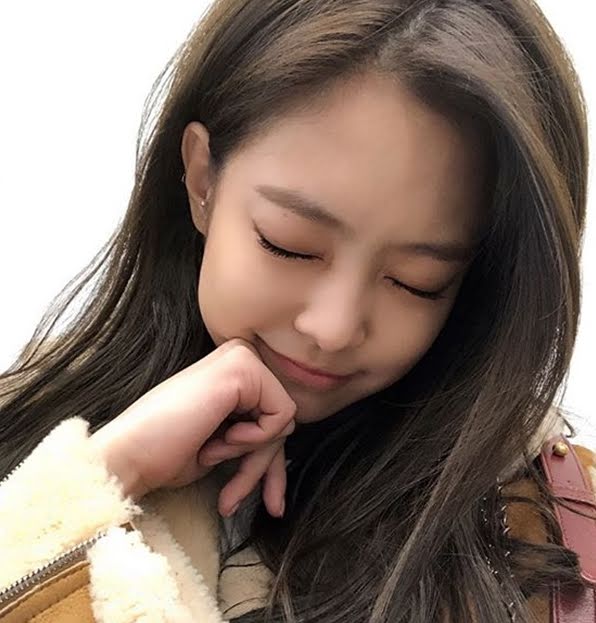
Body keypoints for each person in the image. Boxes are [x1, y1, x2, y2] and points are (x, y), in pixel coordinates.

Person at [0, 0, 593, 621]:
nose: (333, 329)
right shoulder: (25, 423)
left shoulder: (542, 540)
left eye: (417, 282)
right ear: (202, 179)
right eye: (290, 245)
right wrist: (101, 477)